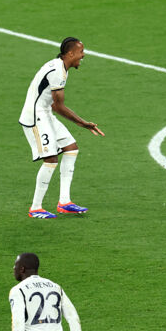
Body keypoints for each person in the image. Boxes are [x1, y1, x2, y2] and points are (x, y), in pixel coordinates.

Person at [19, 37, 105, 219]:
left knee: (71, 148)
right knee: (50, 159)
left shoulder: (60, 67)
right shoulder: (57, 70)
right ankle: (35, 207)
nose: (83, 55)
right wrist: (82, 123)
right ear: (70, 53)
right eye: (81, 52)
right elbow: (58, 106)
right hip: (36, 115)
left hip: (45, 112)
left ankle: (64, 202)